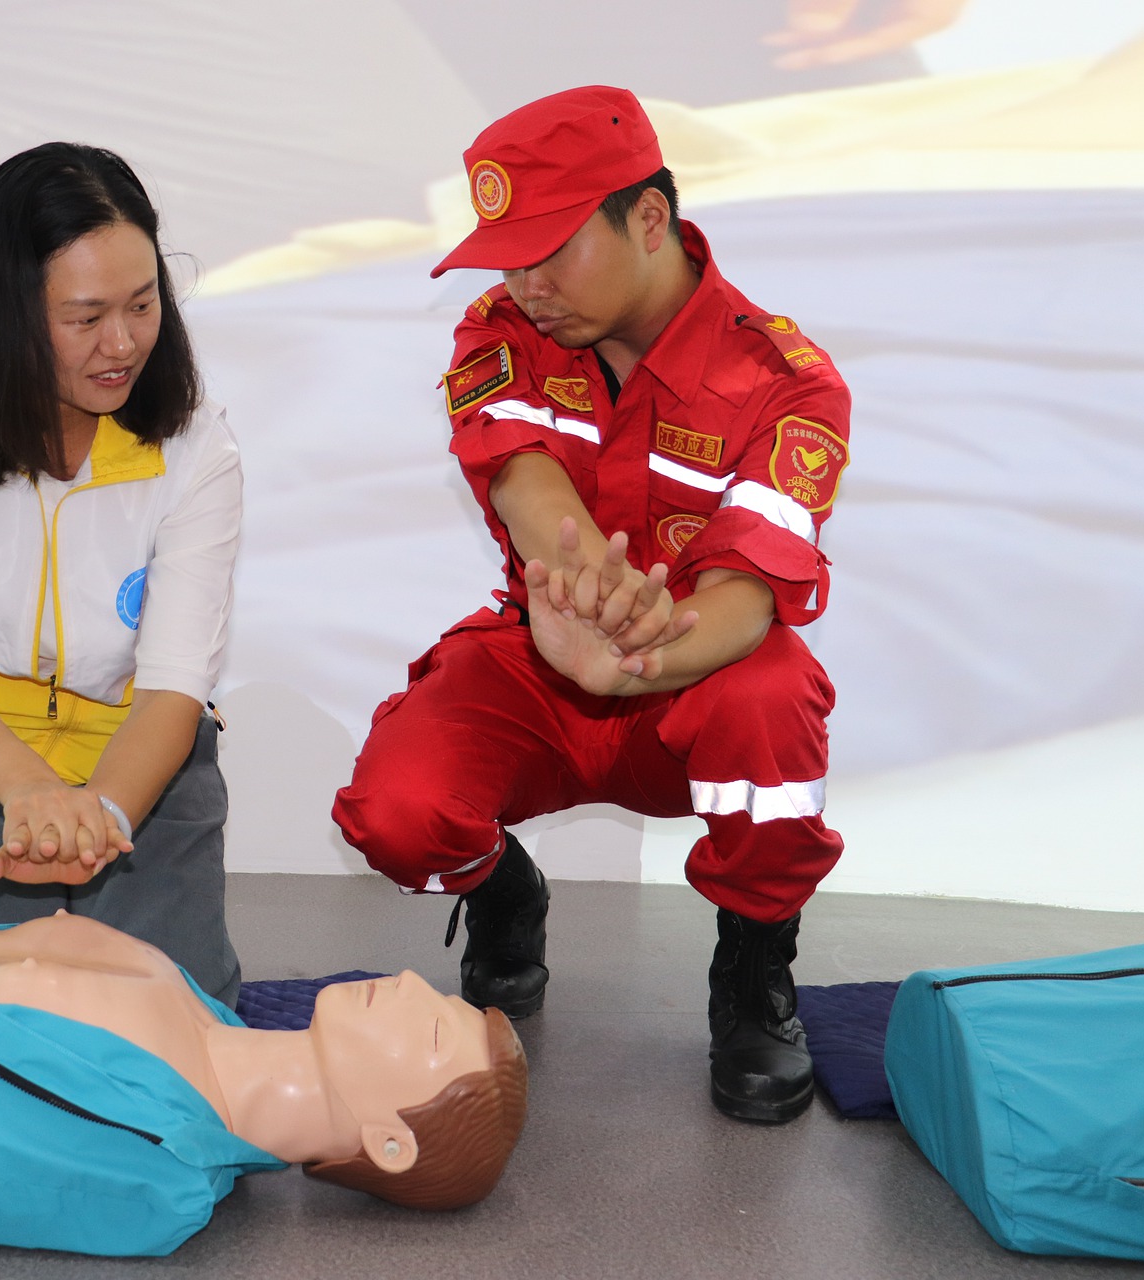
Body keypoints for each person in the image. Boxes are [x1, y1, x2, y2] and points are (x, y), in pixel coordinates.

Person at [332, 86, 851, 1124]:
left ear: (648, 218)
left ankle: (754, 969)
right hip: (543, 657)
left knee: (772, 698)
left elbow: (747, 598)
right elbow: (527, 483)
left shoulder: (788, 382)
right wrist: (576, 589)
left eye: (550, 250)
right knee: (394, 810)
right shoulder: (499, 332)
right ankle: (503, 893)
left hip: (690, 673)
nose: (525, 283)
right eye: (506, 256)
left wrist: (636, 662)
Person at [0, 143, 244, 1004]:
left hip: (141, 750)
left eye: (144, 306)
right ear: (7, 314)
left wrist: (100, 816)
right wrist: (25, 789)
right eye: (85, 316)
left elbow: (175, 687)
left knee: (175, 1016)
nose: (124, 342)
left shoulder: (197, 440)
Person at [0, 913, 529, 1255]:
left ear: (389, 1138)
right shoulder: (189, 999)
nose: (414, 980)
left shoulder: (157, 1175)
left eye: (428, 1024)